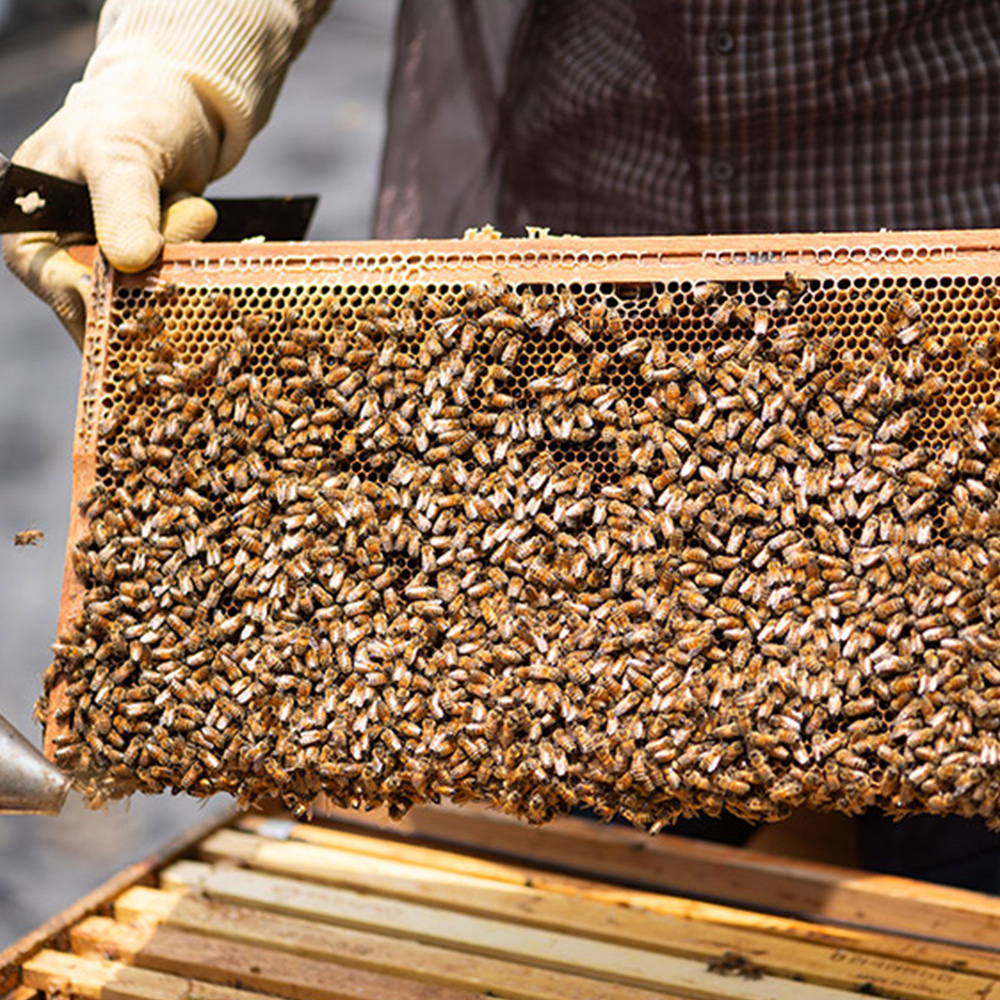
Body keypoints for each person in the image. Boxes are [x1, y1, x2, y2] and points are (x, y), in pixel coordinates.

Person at [7, 0, 1000, 891]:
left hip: (946, 374)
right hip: (573, 347)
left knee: (950, 838)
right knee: (580, 816)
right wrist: (165, 68)